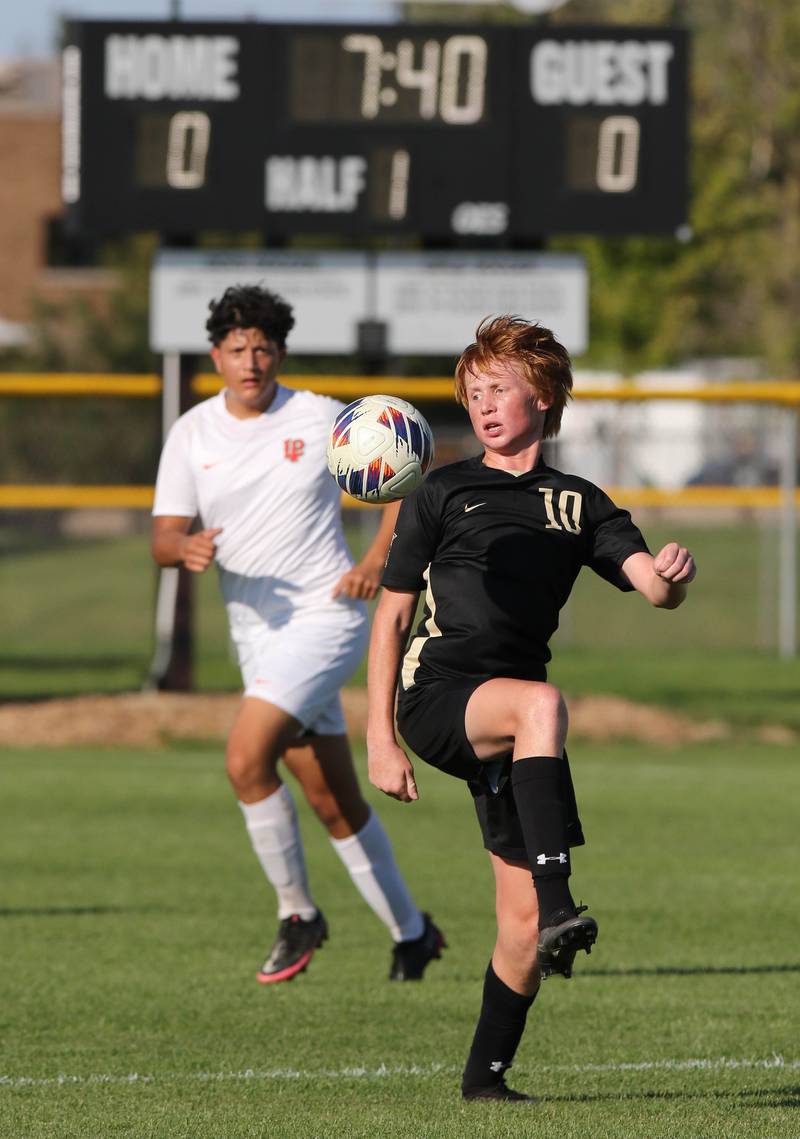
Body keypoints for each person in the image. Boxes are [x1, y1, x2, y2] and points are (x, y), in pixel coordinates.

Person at [367, 315, 696, 1101]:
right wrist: (379, 735)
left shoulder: (579, 504)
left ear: (542, 396)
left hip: (515, 724)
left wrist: (675, 577)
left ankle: (485, 1080)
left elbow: (653, 586)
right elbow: (390, 618)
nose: (481, 403)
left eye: (497, 388)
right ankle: (562, 901)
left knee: (517, 929)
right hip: (441, 694)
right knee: (543, 704)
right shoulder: (440, 488)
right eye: (472, 391)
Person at [151, 284, 445, 986]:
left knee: (246, 759)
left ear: (279, 353)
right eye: (236, 348)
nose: (250, 360)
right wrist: (183, 547)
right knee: (332, 799)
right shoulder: (191, 432)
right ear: (215, 355)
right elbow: (162, 535)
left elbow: (405, 474)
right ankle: (413, 932)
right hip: (255, 635)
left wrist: (377, 559)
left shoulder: (318, 417)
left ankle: (297, 913)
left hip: (326, 617)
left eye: (262, 348)